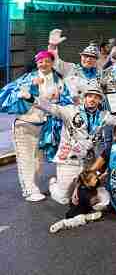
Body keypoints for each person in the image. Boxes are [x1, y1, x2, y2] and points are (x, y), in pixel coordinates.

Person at [31, 79, 116, 205]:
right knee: (64, 198)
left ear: (100, 101)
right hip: (69, 159)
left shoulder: (104, 116)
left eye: (96, 97)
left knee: (89, 195)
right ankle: (53, 184)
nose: (92, 99)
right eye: (89, 96)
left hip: (88, 161)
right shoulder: (70, 111)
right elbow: (51, 107)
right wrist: (31, 98)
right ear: (84, 98)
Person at [0, 50, 73, 201]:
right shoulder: (29, 78)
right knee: (26, 159)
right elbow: (8, 93)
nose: (44, 64)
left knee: (39, 161)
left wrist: (59, 98)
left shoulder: (59, 80)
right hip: (25, 124)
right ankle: (30, 190)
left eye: (47, 61)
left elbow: (66, 99)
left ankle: (37, 186)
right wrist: (30, 86)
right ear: (36, 63)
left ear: (52, 62)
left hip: (47, 126)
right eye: (40, 61)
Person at [47, 29, 102, 104]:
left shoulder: (100, 74)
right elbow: (55, 62)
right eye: (86, 56)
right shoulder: (71, 68)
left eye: (92, 57)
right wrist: (52, 46)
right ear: (81, 57)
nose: (88, 59)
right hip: (70, 109)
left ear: (96, 60)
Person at [48, 169, 105, 234]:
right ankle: (62, 224)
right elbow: (93, 201)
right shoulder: (84, 192)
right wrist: (100, 199)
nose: (97, 180)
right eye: (95, 179)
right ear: (88, 182)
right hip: (76, 213)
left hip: (81, 208)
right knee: (77, 220)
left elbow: (97, 178)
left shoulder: (86, 184)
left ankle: (88, 217)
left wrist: (102, 176)